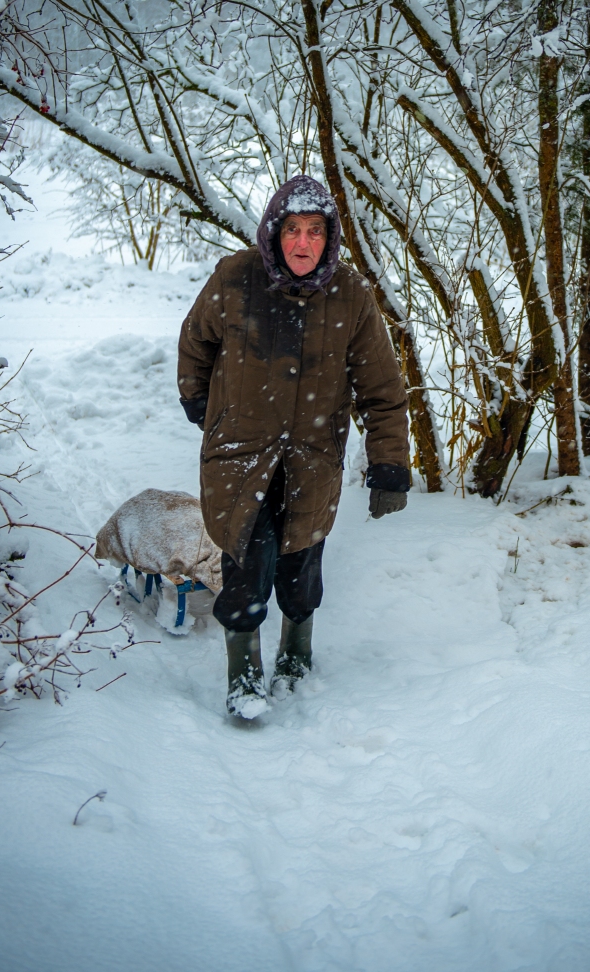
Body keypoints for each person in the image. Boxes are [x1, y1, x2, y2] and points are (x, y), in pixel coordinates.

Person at [177, 175, 411, 720]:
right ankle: (244, 675)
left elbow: (381, 388)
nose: (302, 243)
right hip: (238, 458)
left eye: (314, 231)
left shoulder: (351, 295)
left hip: (313, 461)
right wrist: (201, 406)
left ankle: (296, 655)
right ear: (273, 233)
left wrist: (390, 463)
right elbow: (195, 343)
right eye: (292, 231)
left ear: (330, 238)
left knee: (302, 567)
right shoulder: (235, 279)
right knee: (246, 562)